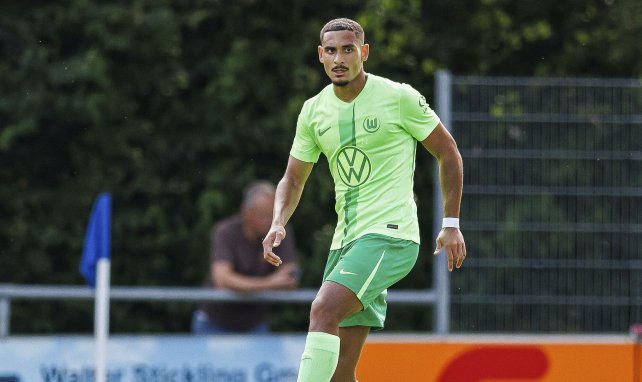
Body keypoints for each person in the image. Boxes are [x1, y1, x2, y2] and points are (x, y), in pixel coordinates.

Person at [262, 18, 466, 382]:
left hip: (390, 235)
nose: (339, 58)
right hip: (346, 243)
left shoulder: (398, 96)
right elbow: (293, 178)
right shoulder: (313, 111)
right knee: (341, 375)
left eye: (347, 49)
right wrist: (278, 221)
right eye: (331, 50)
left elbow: (448, 152)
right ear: (320, 55)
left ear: (364, 53)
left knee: (323, 309)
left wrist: (451, 224)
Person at [192, 180, 299, 334]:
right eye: (264, 216)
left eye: (275, 215)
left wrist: (245, 285)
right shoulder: (226, 231)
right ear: (246, 212)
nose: (271, 222)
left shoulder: (279, 231)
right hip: (214, 322)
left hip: (255, 324)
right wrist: (270, 283)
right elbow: (222, 279)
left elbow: (290, 277)